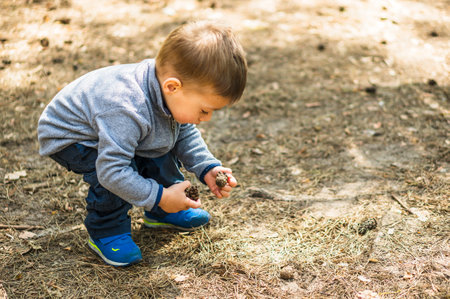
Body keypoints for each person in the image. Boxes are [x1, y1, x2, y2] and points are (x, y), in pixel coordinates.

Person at [37, 21, 247, 266]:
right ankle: (107, 231)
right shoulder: (127, 108)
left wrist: (207, 167)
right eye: (204, 110)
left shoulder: (168, 92)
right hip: (73, 136)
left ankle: (163, 213)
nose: (207, 118)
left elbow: (183, 132)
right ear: (172, 87)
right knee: (114, 171)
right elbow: (111, 171)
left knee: (159, 144)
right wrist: (158, 195)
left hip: (115, 128)